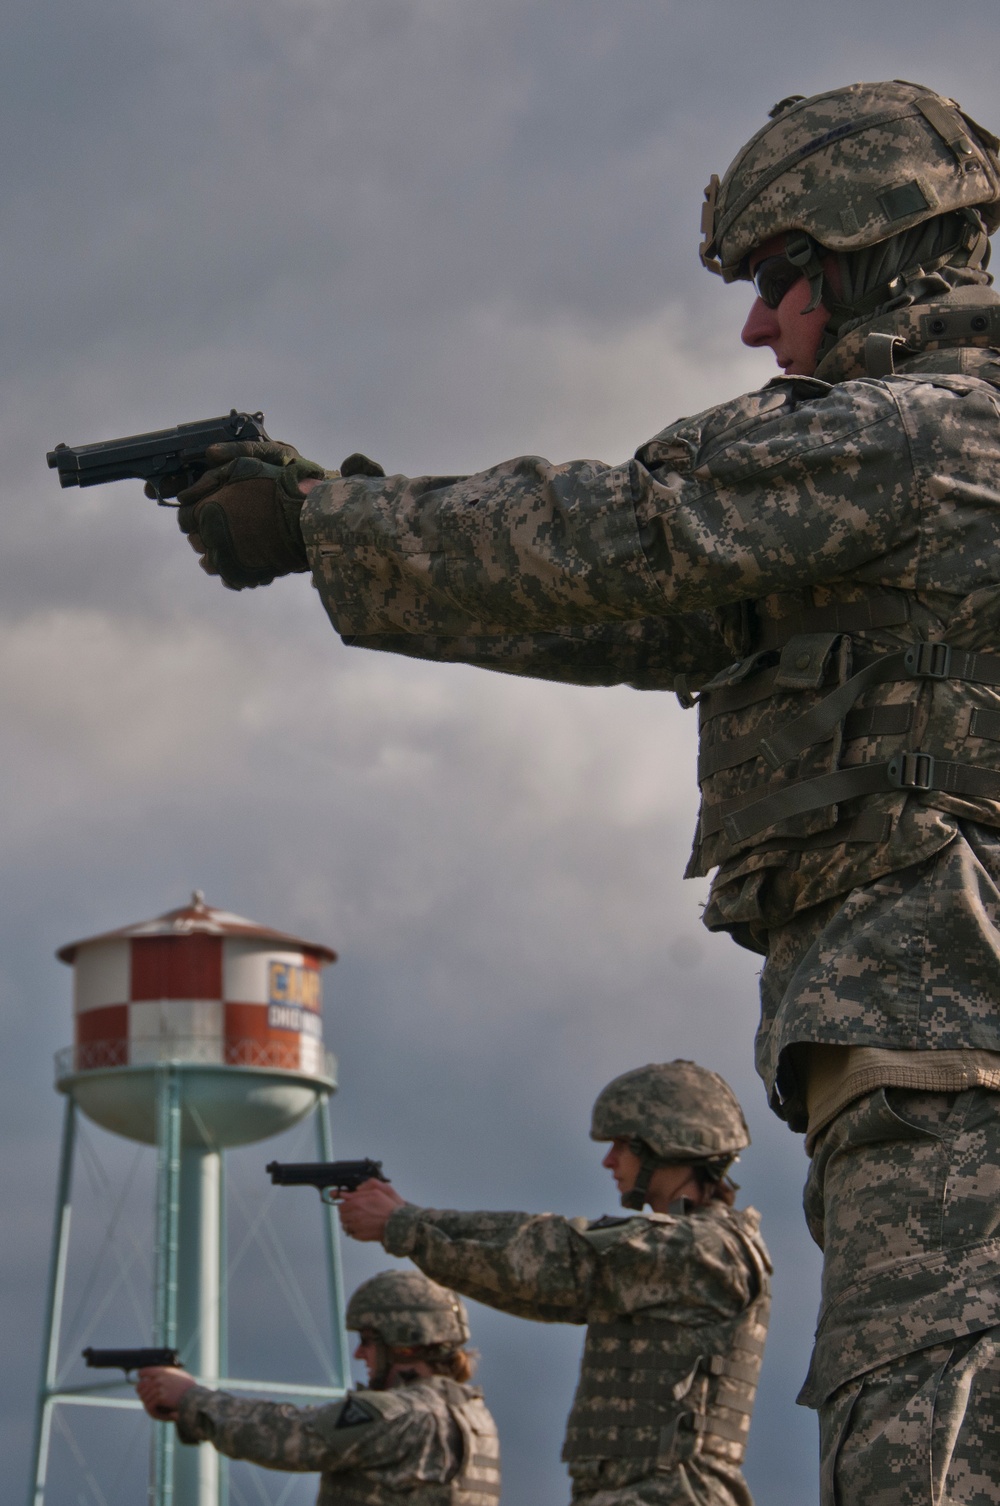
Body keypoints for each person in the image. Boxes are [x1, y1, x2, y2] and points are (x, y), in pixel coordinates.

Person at [167, 80, 1000, 1500]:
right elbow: (641, 620)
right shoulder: (902, 493)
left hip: (947, 1050)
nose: (759, 326)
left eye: (781, 280)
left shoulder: (910, 434)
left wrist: (324, 521)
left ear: (879, 250)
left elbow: (629, 534)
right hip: (928, 1057)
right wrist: (339, 547)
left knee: (924, 1445)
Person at [339, 1061, 771, 1506]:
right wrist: (409, 1226)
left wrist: (404, 1224)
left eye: (623, 1144)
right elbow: (532, 1286)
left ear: (667, 1144)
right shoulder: (677, 1252)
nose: (609, 1160)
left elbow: (553, 1256)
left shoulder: (705, 1251)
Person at [135, 1269, 501, 1505]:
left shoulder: (403, 1413)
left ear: (403, 1341)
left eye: (368, 1340)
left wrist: (191, 1399)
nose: (360, 1353)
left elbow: (291, 1436)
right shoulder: (474, 1417)